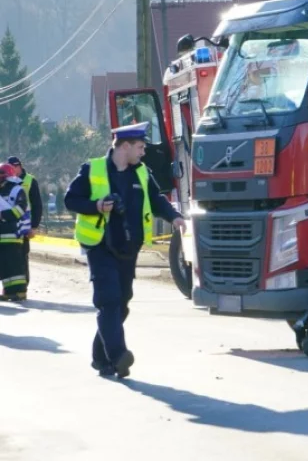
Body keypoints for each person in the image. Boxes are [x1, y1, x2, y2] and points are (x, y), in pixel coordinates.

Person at [64, 122, 186, 378]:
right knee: (108, 301)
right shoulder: (92, 169)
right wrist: (96, 205)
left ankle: (101, 357)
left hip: (128, 248)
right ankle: (119, 355)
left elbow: (156, 199)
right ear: (125, 146)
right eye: (140, 147)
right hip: (99, 245)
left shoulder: (141, 172)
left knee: (122, 304)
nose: (143, 152)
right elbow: (70, 200)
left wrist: (174, 216)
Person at [6, 156, 42, 297]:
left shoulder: (30, 180)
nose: (11, 170)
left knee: (22, 256)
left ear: (19, 166)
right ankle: (10, 288)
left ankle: (22, 288)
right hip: (9, 225)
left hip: (25, 225)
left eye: (13, 167)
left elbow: (37, 205)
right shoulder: (6, 180)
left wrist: (34, 227)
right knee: (10, 257)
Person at [0, 162, 31, 301]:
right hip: (1, 235)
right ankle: (8, 291)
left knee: (14, 265)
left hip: (13, 234)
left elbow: (20, 209)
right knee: (4, 265)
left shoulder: (17, 190)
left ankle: (20, 292)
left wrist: (3, 215)